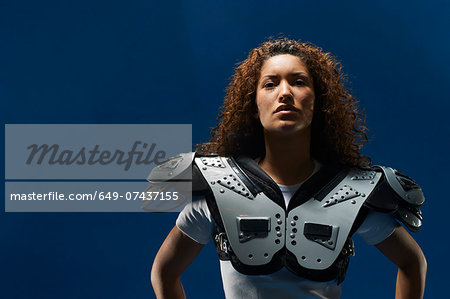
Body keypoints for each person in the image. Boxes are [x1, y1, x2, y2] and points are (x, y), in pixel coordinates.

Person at [149, 38, 427, 299]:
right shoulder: (218, 187)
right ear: (254, 105)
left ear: (318, 102)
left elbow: (412, 262)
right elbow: (164, 271)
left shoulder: (351, 191)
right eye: (270, 84)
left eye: (298, 82)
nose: (284, 93)